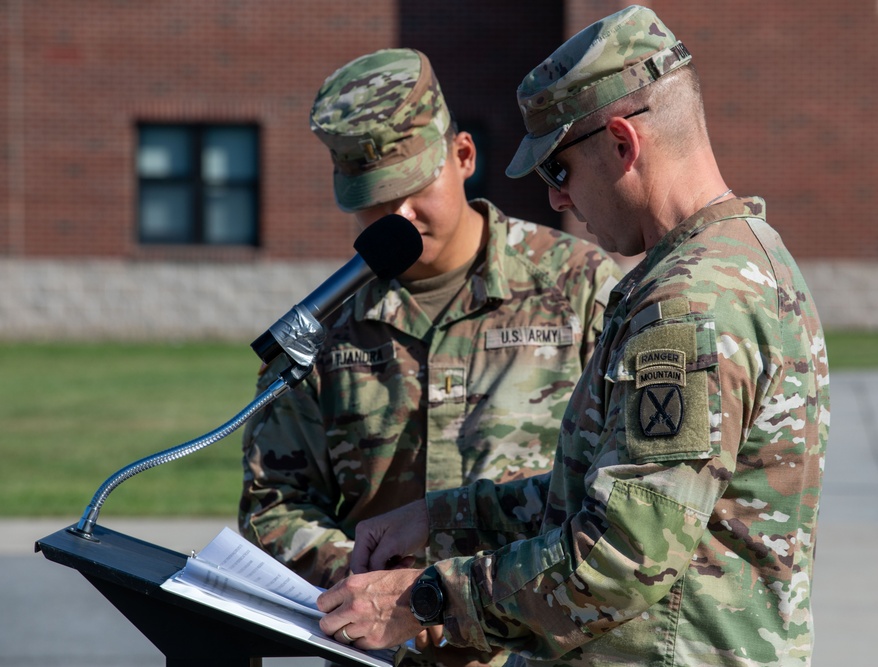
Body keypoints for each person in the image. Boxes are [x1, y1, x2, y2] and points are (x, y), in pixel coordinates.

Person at [313, 5, 831, 667]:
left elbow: (619, 558)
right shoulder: (745, 253)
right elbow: (603, 489)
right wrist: (441, 519)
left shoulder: (686, 306)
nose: (557, 200)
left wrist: (422, 599)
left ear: (623, 143)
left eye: (559, 170)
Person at [238, 47, 622, 665]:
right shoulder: (323, 330)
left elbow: (613, 493)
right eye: (376, 202)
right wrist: (369, 588)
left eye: (414, 192)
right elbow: (274, 505)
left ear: (463, 157)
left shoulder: (580, 287)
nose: (401, 219)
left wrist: (446, 596)